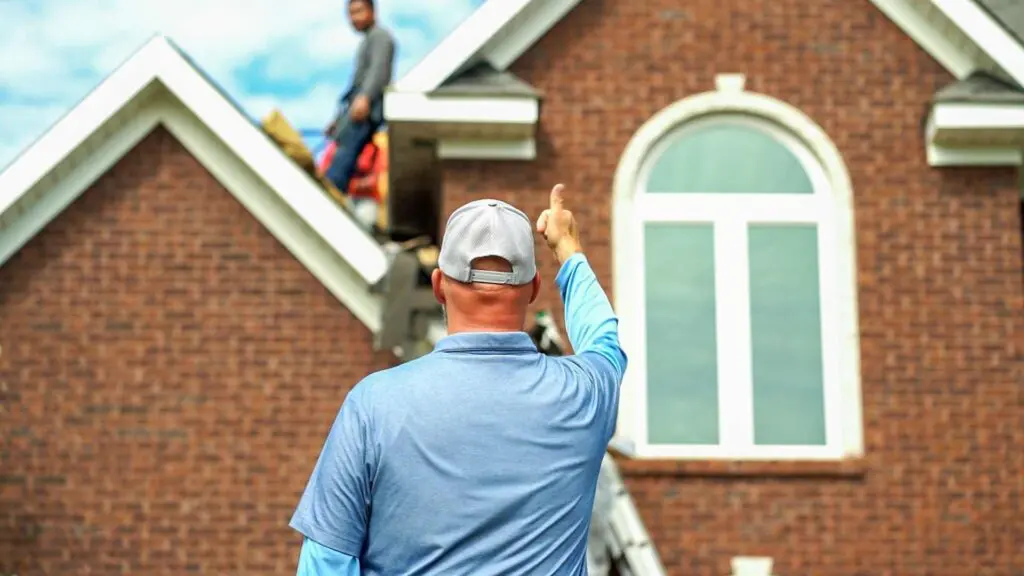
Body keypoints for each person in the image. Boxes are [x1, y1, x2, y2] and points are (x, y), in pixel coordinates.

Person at [289, 184, 627, 575]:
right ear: (534, 289)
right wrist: (567, 247)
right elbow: (603, 340)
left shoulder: (373, 405)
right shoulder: (584, 397)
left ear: (438, 286)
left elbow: (325, 563)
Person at [324, 0, 394, 230]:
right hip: (354, 111)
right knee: (341, 150)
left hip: (364, 112)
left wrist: (366, 97)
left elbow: (379, 71)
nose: (353, 18)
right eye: (350, 14)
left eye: (358, 11)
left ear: (372, 11)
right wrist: (337, 121)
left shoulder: (380, 36)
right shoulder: (368, 40)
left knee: (344, 158)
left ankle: (328, 196)